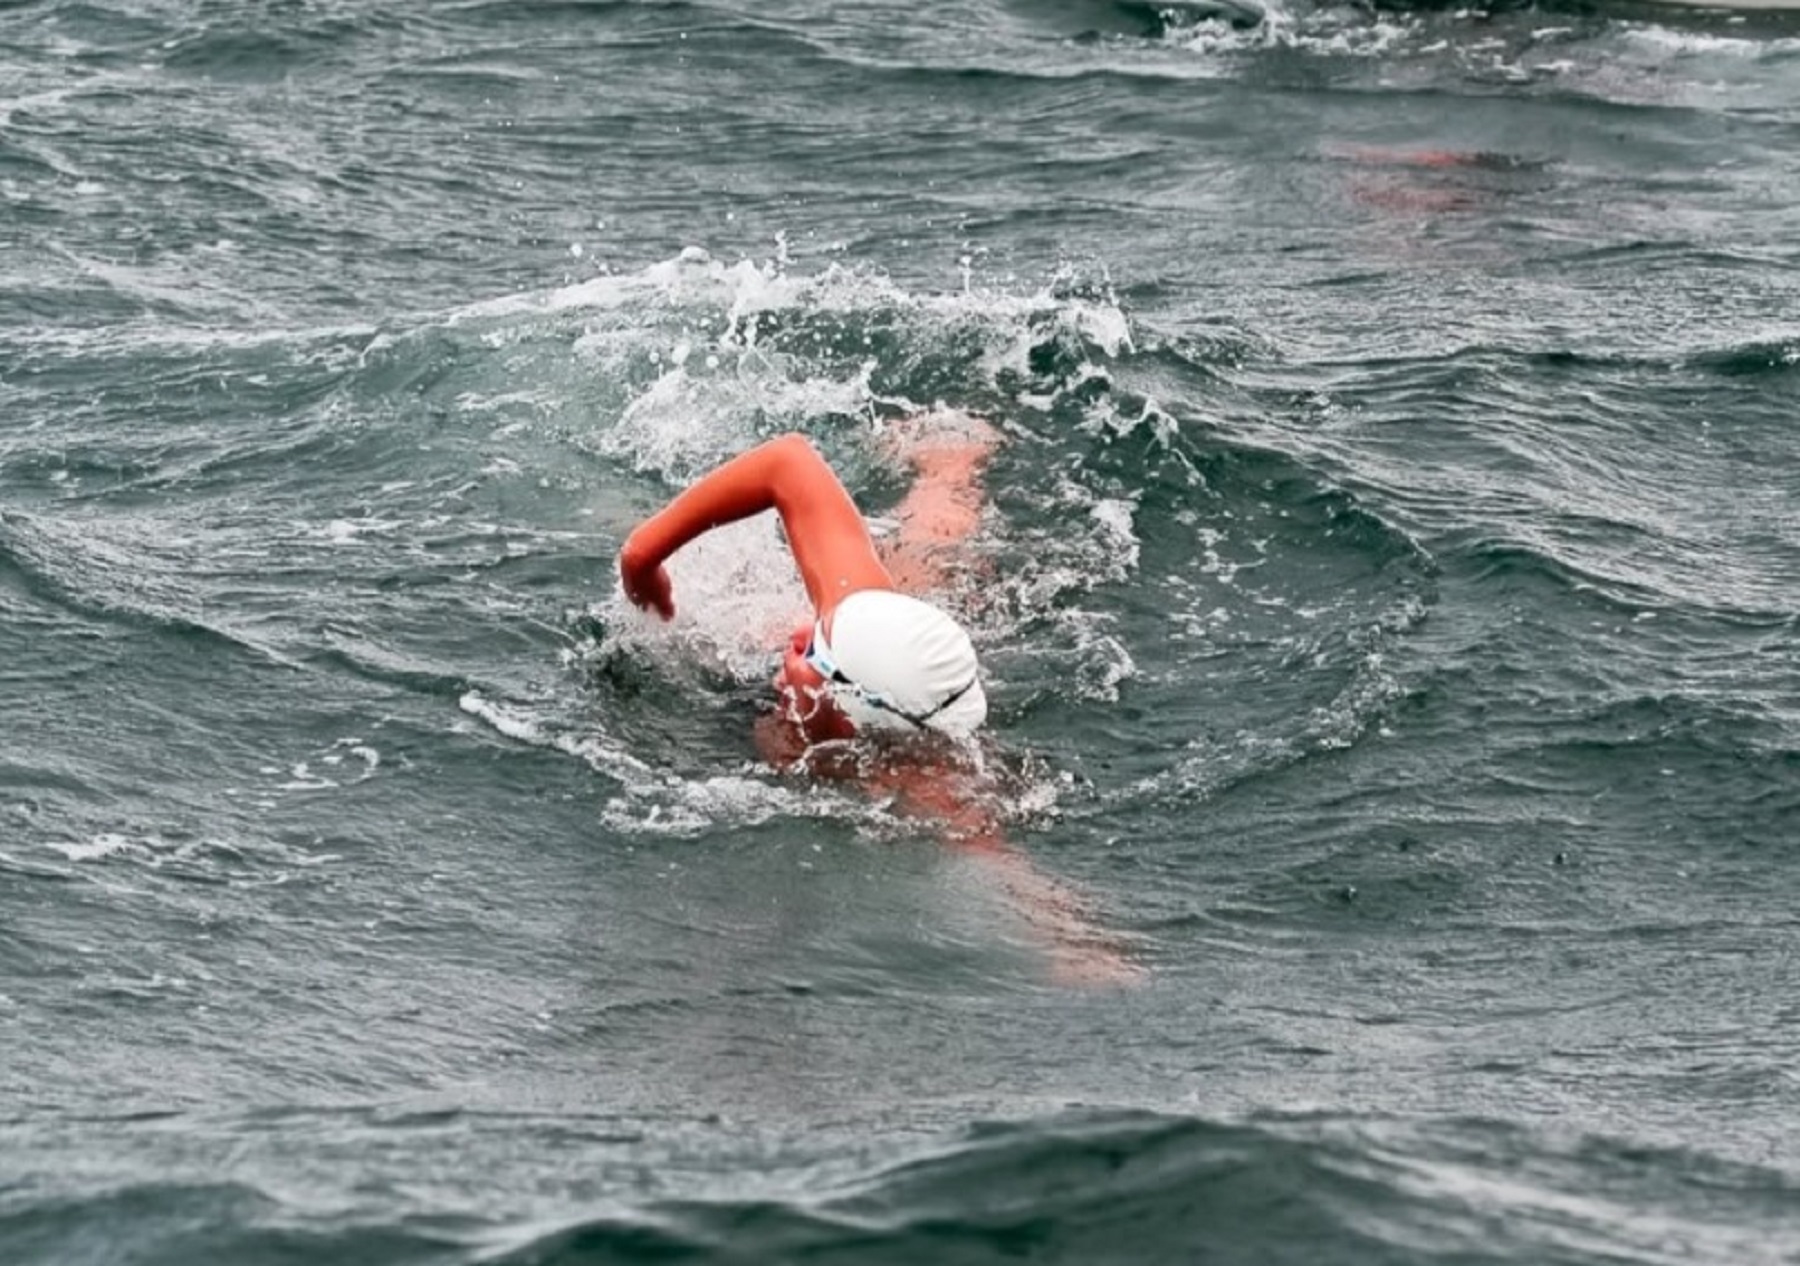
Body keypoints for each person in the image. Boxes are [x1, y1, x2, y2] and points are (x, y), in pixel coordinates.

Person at [618, 417, 1141, 985]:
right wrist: (641, 558)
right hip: (904, 660)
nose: (801, 638)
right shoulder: (858, 615)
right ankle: (950, 458)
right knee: (915, 562)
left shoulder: (914, 778)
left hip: (908, 700)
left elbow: (1007, 870)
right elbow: (788, 461)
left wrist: (1080, 954)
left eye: (814, 651)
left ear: (847, 710)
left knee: (911, 579)